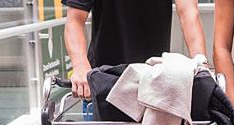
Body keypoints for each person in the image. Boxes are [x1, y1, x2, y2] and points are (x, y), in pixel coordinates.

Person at [63, 0, 207, 100]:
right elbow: (74, 20)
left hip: (153, 81)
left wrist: (201, 62)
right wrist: (80, 66)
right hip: (104, 82)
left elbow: (189, 13)